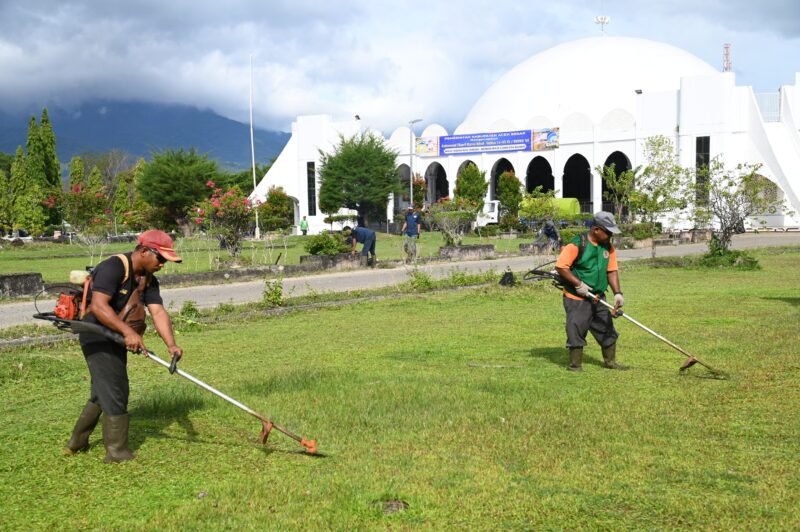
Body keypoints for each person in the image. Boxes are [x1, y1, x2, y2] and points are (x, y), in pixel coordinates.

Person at [64, 230, 184, 463]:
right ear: (144, 251)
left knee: (103, 391)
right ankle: (117, 453)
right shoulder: (114, 267)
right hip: (96, 333)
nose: (162, 264)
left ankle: (76, 443)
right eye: (160, 258)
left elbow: (157, 311)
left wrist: (171, 344)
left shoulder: (148, 278)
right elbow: (99, 306)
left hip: (116, 334)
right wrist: (129, 332)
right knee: (117, 389)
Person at [554, 212, 626, 372]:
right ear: (595, 229)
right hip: (576, 298)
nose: (610, 235)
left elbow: (612, 270)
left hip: (598, 297)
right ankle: (575, 366)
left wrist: (617, 293)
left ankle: (611, 362)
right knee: (576, 329)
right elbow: (561, 266)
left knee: (606, 328)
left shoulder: (608, 246)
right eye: (608, 232)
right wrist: (578, 284)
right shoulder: (578, 244)